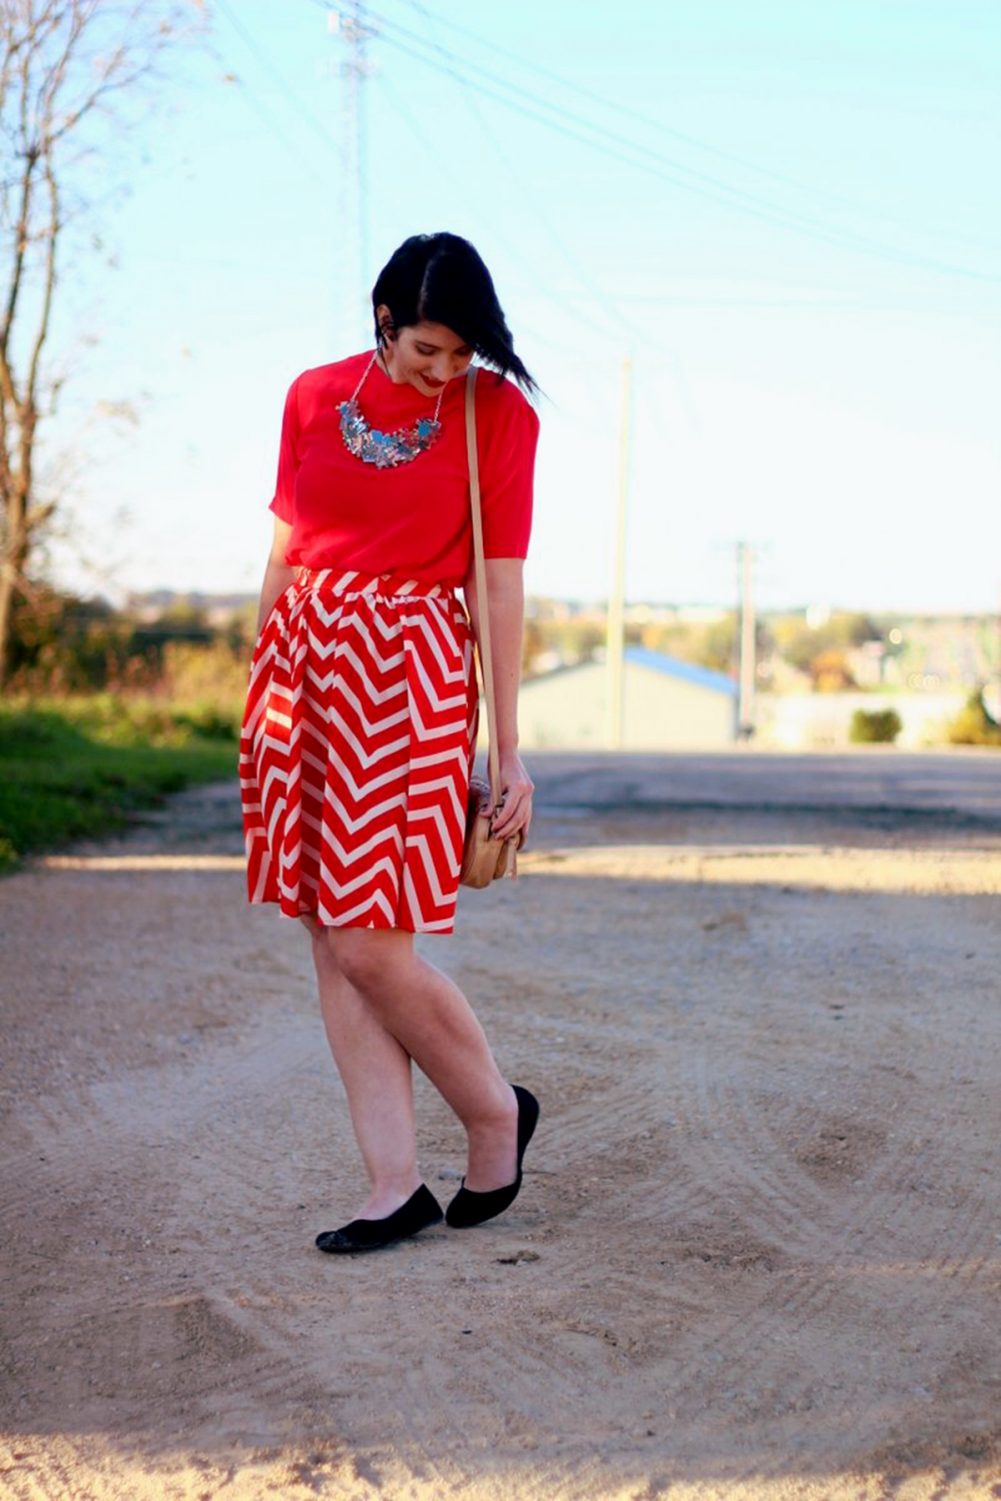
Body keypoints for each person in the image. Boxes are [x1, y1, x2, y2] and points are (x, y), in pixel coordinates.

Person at [239, 232, 541, 1254]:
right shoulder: (311, 396)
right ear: (383, 322)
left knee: (372, 934)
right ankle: (392, 1183)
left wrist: (507, 751)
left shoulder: (497, 414)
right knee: (329, 933)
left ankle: (494, 1111)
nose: (446, 372)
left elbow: (496, 583)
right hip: (301, 668)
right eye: (427, 352)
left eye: (462, 353)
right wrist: (260, 675)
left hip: (409, 672)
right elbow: (287, 539)